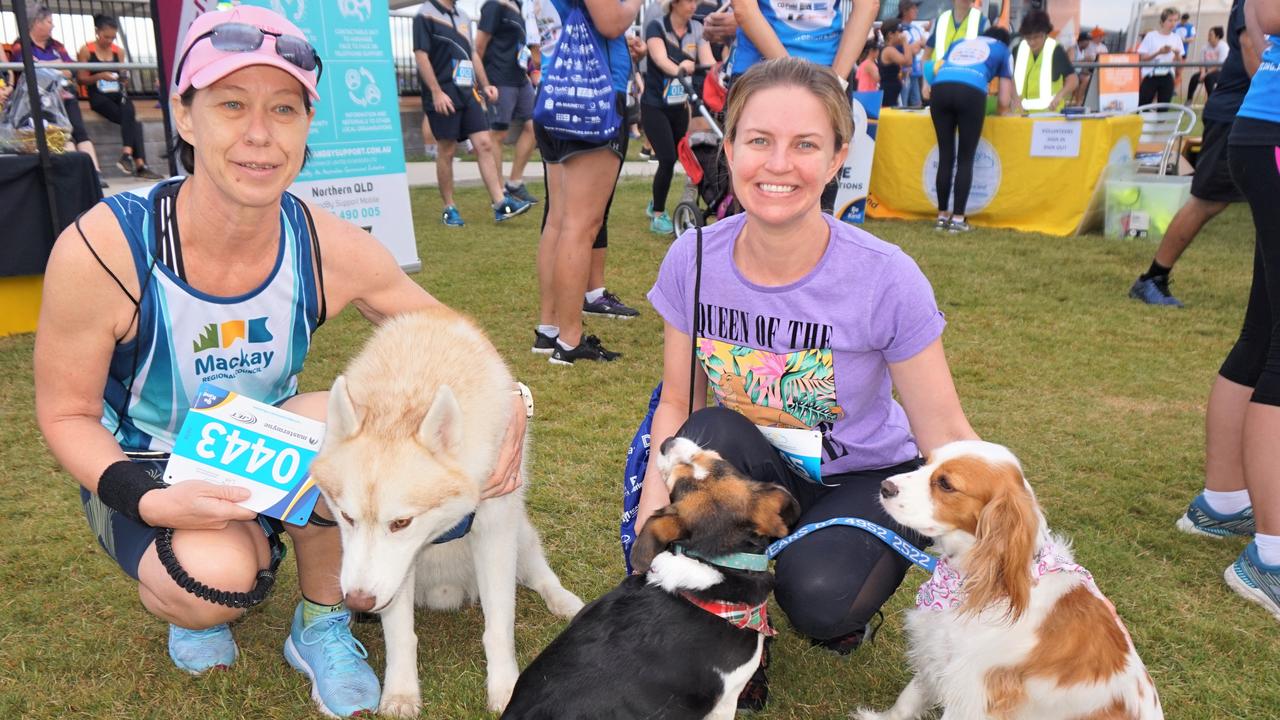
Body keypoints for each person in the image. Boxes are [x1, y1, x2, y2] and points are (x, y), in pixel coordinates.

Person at [32, 7, 532, 716]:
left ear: (306, 126)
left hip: (257, 445)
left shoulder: (330, 245)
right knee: (217, 584)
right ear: (185, 113)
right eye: (232, 104)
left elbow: (448, 330)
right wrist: (147, 500)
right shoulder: (105, 248)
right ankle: (194, 586)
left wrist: (515, 398)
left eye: (284, 110)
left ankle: (321, 621)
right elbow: (66, 412)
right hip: (143, 460)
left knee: (346, 444)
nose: (260, 135)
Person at [639, 57, 979, 711]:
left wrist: (1020, 534)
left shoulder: (886, 277)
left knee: (820, 600)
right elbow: (680, 404)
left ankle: (804, 577)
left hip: (864, 478)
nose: (778, 165)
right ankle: (738, 635)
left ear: (837, 157)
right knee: (706, 431)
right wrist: (657, 524)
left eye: (805, 145)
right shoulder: (696, 257)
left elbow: (945, 432)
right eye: (759, 140)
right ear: (729, 146)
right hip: (751, 462)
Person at [1175, 0, 1280, 626]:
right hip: (1271, 131)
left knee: (1265, 328)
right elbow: (1266, 15)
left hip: (1266, 131)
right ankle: (1270, 557)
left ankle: (1223, 501)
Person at [531, 0, 644, 364]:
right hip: (593, 99)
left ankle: (549, 331)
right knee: (581, 226)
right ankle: (570, 341)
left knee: (559, 222)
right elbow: (610, 22)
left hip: (556, 93)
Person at [1130, 1, 1257, 309]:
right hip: (1238, 114)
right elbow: (1251, 50)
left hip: (1255, 113)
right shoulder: (1252, 4)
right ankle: (1152, 278)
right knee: (1208, 200)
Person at [413, 0, 533, 226]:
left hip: (468, 93)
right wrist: (437, 92)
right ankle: (449, 208)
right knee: (447, 150)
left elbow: (473, 54)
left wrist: (485, 85)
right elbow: (421, 56)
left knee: (485, 143)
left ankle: (500, 203)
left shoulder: (463, 16)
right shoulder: (425, 15)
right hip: (443, 94)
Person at [929, 27, 1017, 233]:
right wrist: (1004, 111)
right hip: (971, 92)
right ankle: (958, 219)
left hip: (940, 89)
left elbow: (937, 66)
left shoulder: (959, 43)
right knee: (965, 158)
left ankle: (941, 217)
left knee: (945, 155)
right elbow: (1004, 99)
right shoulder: (1003, 50)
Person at [8, 2, 106, 187]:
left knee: (80, 131)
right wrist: (56, 67)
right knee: (63, 136)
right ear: (37, 23)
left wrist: (48, 67)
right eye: (49, 21)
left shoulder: (57, 45)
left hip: (65, 96)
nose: (53, 25)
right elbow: (29, 69)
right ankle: (75, 174)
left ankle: (95, 173)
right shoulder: (21, 45)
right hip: (40, 102)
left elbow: (72, 69)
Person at [642, 0, 714, 235]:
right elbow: (660, 59)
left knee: (681, 158)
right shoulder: (656, 27)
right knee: (667, 158)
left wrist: (719, 70)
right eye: (689, 1)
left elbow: (707, 61)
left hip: (681, 106)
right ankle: (658, 213)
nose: (694, 5)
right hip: (655, 106)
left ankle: (656, 201)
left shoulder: (697, 28)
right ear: (674, 3)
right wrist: (681, 67)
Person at [76, 14, 162, 180]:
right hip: (98, 96)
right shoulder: (87, 50)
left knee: (129, 111)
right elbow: (80, 78)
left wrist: (123, 78)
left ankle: (127, 155)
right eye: (106, 36)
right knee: (132, 122)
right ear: (97, 32)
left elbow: (124, 77)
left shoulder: (118, 51)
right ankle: (140, 165)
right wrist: (99, 76)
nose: (109, 41)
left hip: (117, 93)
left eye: (112, 37)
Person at [475, 0, 541, 204]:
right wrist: (481, 83)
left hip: (520, 78)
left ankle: (515, 183)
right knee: (499, 133)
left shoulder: (520, 7)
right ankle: (499, 192)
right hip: (499, 77)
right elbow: (478, 47)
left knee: (535, 125)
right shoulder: (494, 5)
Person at [729, 0, 877, 84]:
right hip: (827, 71)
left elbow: (744, 9)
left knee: (755, 137)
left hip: (758, 70)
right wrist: (837, 81)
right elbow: (868, 5)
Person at [1011, 10, 1077, 112]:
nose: (1031, 42)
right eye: (1028, 38)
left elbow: (1073, 80)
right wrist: (1014, 98)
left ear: (1044, 34)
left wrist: (1059, 96)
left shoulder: (1055, 50)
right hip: (1021, 115)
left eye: (1036, 37)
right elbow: (1009, 77)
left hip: (1048, 116)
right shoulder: (1018, 49)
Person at [923, 0, 990, 91]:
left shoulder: (982, 22)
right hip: (939, 84)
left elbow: (989, 61)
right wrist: (926, 83)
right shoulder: (941, 20)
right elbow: (926, 56)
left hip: (967, 86)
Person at [1137, 8, 1186, 105]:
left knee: (1163, 107)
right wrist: (1159, 52)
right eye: (1170, 20)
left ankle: (1161, 120)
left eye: (1176, 20)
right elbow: (1142, 58)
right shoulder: (1151, 36)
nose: (1173, 23)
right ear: (1163, 21)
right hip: (1150, 74)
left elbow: (1179, 65)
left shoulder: (1177, 38)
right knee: (1143, 105)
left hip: (1168, 75)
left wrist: (1177, 55)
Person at [898, 1, 929, 107]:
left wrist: (916, 46)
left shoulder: (915, 28)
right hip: (904, 73)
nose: (916, 11)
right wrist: (916, 46)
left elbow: (924, 44)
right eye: (913, 8)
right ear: (904, 11)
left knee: (917, 103)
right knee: (903, 102)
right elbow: (913, 50)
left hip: (915, 72)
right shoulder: (899, 28)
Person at [877, 20, 915, 107]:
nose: (901, 35)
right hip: (888, 92)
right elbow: (908, 61)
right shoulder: (889, 50)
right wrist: (905, 42)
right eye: (899, 32)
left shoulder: (889, 49)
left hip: (892, 91)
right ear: (891, 34)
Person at [1188, 25, 1230, 101]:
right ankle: (1189, 100)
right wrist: (1202, 73)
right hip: (1206, 71)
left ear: (1217, 36)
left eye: (1211, 35)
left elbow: (1220, 65)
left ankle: (1211, 101)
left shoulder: (1223, 47)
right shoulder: (1205, 47)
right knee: (1194, 78)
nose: (1208, 36)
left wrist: (1206, 74)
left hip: (1221, 72)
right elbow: (1201, 63)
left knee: (1209, 78)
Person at [1067, 30, 1103, 106]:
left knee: (1092, 77)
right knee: (1086, 79)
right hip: (1069, 74)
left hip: (1078, 73)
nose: (1089, 43)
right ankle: (1078, 102)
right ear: (1082, 41)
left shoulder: (1083, 51)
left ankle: (1081, 101)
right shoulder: (1073, 49)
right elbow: (1070, 63)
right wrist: (1085, 60)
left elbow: (1081, 66)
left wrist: (1088, 69)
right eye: (1088, 41)